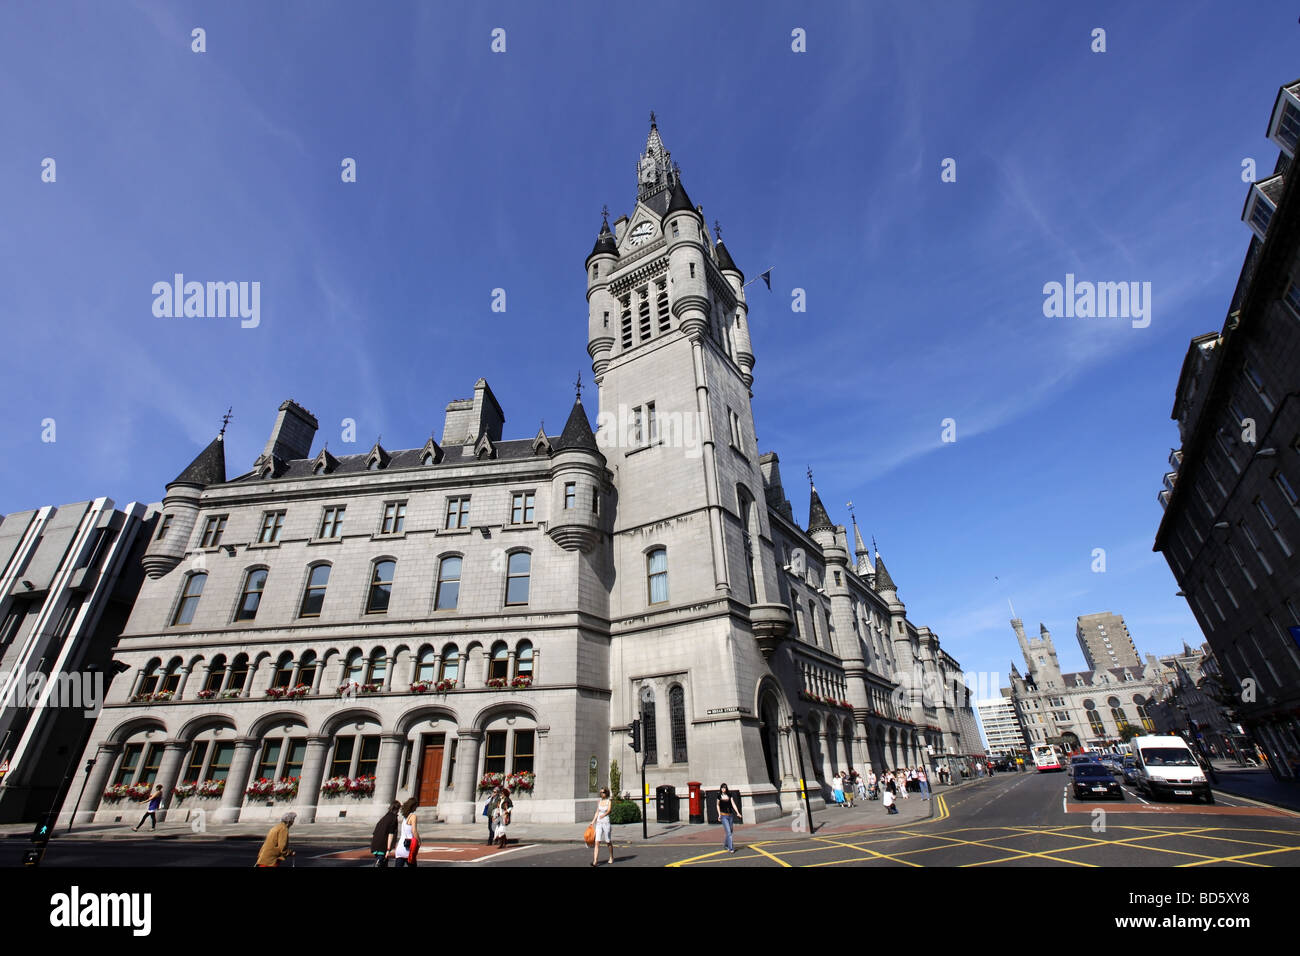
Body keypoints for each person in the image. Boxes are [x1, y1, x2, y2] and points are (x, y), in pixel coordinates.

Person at [370, 801, 401, 866]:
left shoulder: (385, 817)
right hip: (382, 846)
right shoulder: (393, 818)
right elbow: (391, 834)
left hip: (375, 843)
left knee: (384, 862)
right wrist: (388, 849)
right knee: (380, 862)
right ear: (397, 809)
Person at [591, 787, 614, 866]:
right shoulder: (599, 801)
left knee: (608, 841)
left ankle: (611, 857)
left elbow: (609, 810)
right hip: (599, 823)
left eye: (603, 792)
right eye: (600, 792)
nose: (601, 794)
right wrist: (593, 821)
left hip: (606, 823)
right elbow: (597, 812)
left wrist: (603, 815)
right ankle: (595, 861)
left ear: (606, 793)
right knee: (597, 842)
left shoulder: (609, 801)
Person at [393, 798, 420, 867]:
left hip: (400, 846)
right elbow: (414, 831)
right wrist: (419, 840)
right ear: (413, 806)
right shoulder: (413, 816)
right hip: (408, 847)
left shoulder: (405, 817)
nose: (416, 808)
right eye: (416, 806)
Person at [718, 783, 741, 852]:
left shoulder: (729, 795)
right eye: (722, 788)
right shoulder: (719, 796)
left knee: (730, 832)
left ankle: (725, 845)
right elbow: (717, 805)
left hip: (730, 815)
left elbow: (733, 804)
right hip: (723, 816)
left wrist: (738, 812)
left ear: (726, 788)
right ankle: (731, 848)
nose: (723, 789)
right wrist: (719, 815)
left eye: (724, 788)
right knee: (729, 832)